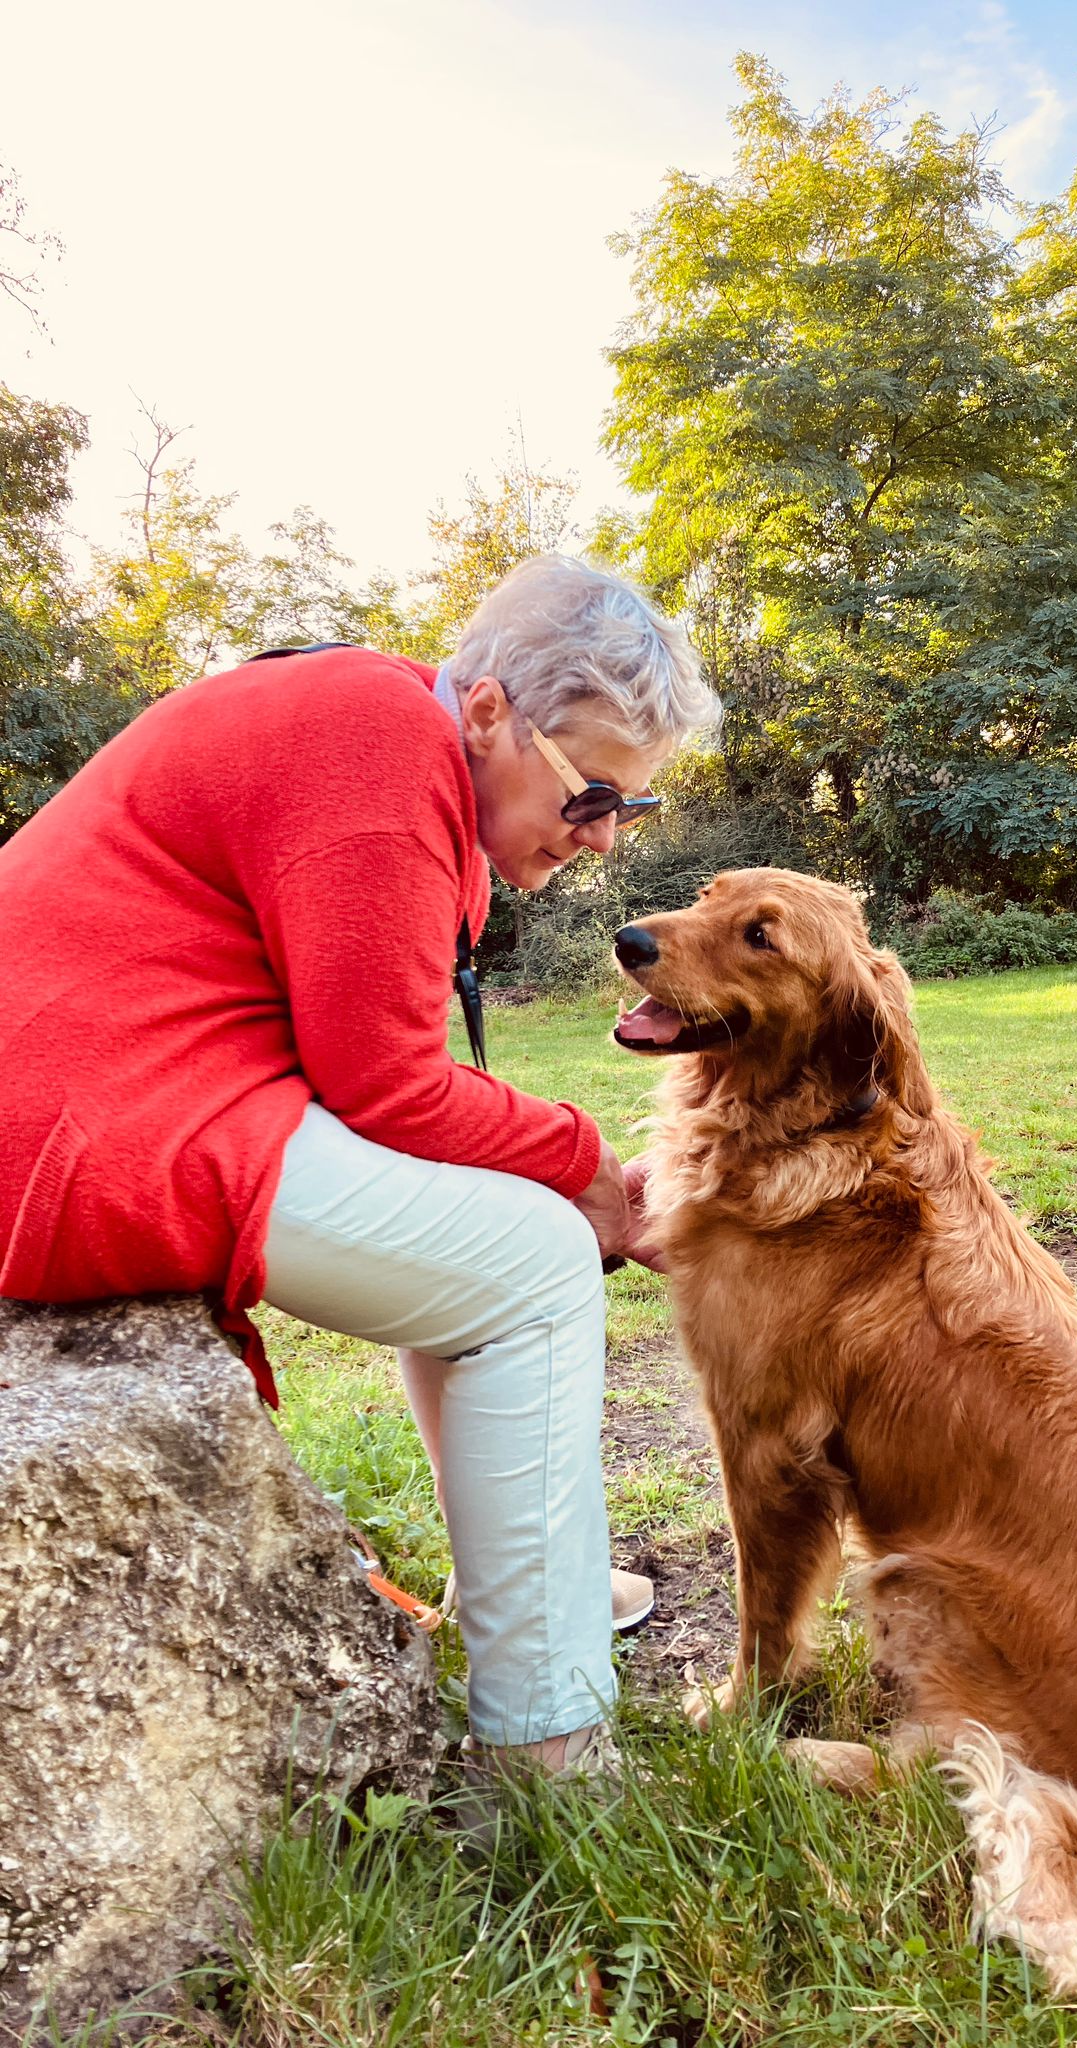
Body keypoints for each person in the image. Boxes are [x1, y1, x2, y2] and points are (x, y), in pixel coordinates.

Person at [0, 554, 718, 1777]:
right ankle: (552, 1747)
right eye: (591, 791)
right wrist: (586, 1165)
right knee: (534, 1262)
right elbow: (385, 1082)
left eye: (629, 809)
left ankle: (532, 1585)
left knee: (484, 1238)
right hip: (85, 1116)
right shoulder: (381, 754)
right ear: (487, 710)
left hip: (102, 1089)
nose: (599, 837)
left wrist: (549, 1162)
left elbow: (388, 1083)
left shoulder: (382, 732)